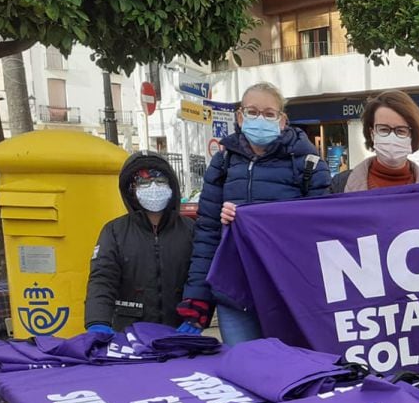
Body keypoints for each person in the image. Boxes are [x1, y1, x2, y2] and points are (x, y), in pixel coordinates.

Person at [178, 82, 330, 342]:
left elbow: (320, 234)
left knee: (289, 372)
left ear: (282, 121)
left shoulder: (309, 165)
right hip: (234, 293)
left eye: (269, 114)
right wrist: (198, 300)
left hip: (286, 294)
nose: (260, 118)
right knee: (243, 369)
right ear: (240, 116)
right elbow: (207, 236)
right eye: (252, 111)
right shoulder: (222, 163)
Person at [85, 152, 193, 333]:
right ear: (131, 189)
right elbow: (103, 278)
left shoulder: (190, 229)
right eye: (144, 182)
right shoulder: (114, 231)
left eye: (160, 181)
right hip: (129, 332)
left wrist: (196, 316)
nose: (153, 187)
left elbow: (200, 276)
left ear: (171, 186)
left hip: (178, 330)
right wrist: (98, 321)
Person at [330, 90, 419, 193]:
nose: (392, 137)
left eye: (401, 131)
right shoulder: (340, 185)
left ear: (413, 136)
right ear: (372, 133)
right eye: (383, 129)